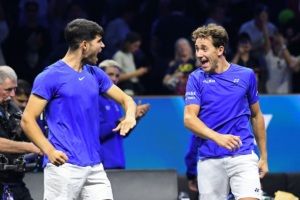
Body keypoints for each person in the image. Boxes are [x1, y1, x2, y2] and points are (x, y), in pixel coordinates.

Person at [20, 18, 137, 200]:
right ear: (84, 45)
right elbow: (28, 119)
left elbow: (126, 99)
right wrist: (48, 150)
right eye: (99, 41)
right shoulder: (50, 76)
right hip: (63, 166)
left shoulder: (96, 74)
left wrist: (130, 116)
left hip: (95, 166)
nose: (103, 46)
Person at [184, 23, 268, 200]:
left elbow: (256, 115)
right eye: (197, 49)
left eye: (204, 49)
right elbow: (189, 119)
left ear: (220, 49)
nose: (199, 54)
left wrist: (264, 157)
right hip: (209, 159)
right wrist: (218, 138)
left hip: (243, 155)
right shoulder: (195, 78)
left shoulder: (246, 75)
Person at [98, 59, 150, 169]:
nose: (114, 79)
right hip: (101, 165)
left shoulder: (115, 103)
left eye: (117, 76)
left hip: (118, 163)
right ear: (100, 75)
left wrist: (135, 117)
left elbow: (122, 133)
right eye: (110, 74)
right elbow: (97, 133)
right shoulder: (95, 100)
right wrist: (121, 120)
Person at [0, 66, 41, 200]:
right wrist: (30, 147)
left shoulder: (12, 108)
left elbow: (27, 130)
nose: (12, 94)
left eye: (14, 89)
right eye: (8, 90)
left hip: (15, 182)